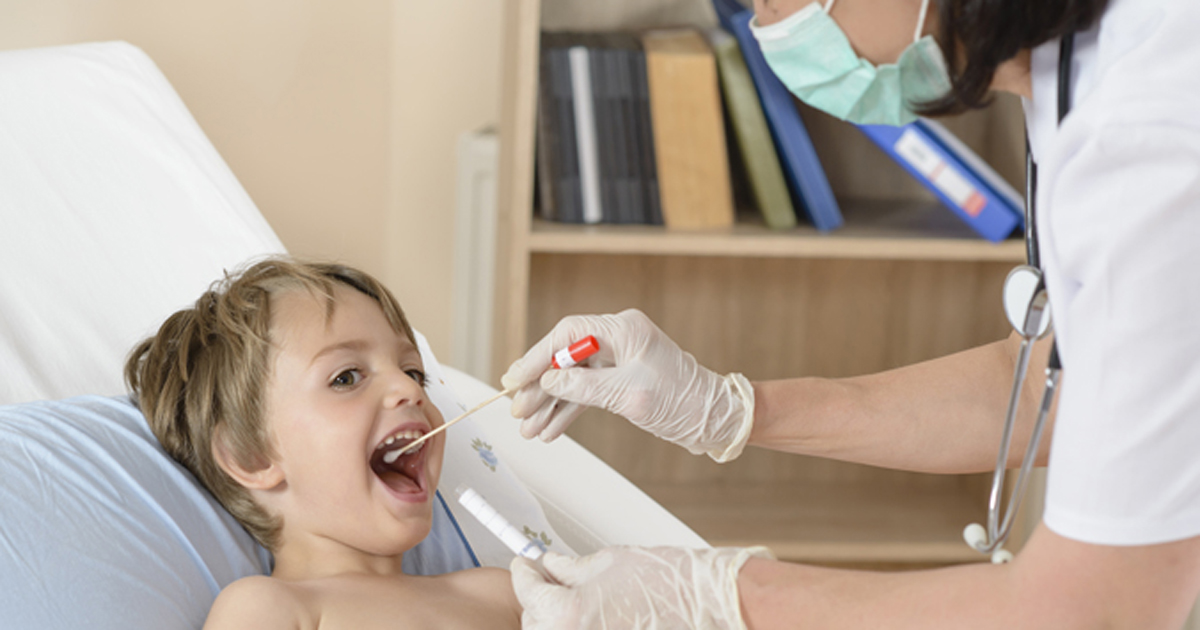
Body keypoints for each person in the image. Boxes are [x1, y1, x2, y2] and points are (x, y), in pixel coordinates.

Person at [502, 0, 1200, 627]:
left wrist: (719, 598)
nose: (764, 27)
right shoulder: (1066, 78)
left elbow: (1099, 608)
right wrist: (729, 408)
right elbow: (1060, 385)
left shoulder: (1147, 134)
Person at [124, 257, 520, 629]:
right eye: (346, 377)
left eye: (414, 372)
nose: (407, 389)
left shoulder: (503, 593)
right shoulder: (270, 608)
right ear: (252, 456)